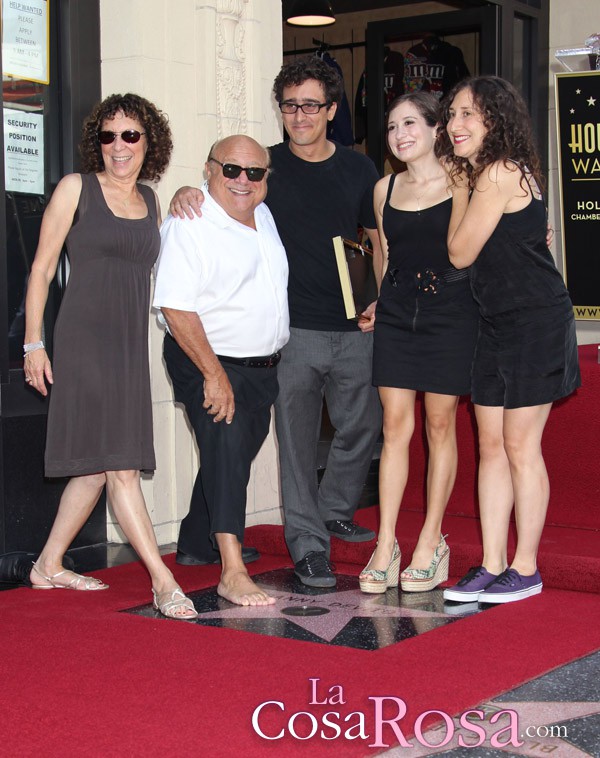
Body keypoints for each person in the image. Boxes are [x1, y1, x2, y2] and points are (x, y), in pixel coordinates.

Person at [169, 57, 383, 588]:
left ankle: (334, 506)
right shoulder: (265, 169)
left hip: (355, 324)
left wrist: (380, 294)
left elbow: (377, 236)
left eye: (311, 105)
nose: (300, 115)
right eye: (290, 105)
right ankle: (308, 545)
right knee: (294, 442)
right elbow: (222, 190)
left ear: (332, 110)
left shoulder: (358, 169)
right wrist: (185, 192)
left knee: (363, 425)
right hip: (294, 334)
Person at [23, 93, 197, 620]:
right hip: (83, 339)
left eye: (130, 135)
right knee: (119, 463)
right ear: (96, 142)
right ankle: (164, 582)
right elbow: (41, 269)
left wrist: (193, 190)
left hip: (127, 342)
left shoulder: (150, 198)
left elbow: (168, 267)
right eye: (108, 136)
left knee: (98, 467)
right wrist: (34, 342)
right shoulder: (76, 188)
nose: (118, 146)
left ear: (149, 142)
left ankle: (48, 563)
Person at [438, 76, 580, 604]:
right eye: (452, 114)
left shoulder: (497, 173)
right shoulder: (490, 176)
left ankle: (526, 568)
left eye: (468, 114)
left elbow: (458, 253)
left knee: (520, 446)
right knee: (491, 447)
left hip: (535, 322)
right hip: (494, 323)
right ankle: (493, 563)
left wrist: (457, 190)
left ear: (494, 121)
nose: (455, 124)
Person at [153, 135, 289, 606]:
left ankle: (196, 541)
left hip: (260, 365)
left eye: (255, 173)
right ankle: (232, 569)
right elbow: (175, 307)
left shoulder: (264, 216)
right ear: (208, 170)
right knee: (228, 444)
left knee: (231, 452)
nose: (243, 181)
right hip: (206, 358)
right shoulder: (189, 222)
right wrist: (213, 374)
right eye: (232, 170)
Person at [358, 92, 479, 595]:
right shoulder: (383, 188)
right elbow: (383, 255)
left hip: (450, 315)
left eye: (410, 123)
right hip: (397, 318)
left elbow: (467, 252)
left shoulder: (462, 180)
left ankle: (432, 540)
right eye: (391, 127)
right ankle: (386, 545)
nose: (399, 134)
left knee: (439, 422)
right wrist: (382, 302)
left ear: (435, 129)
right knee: (393, 426)